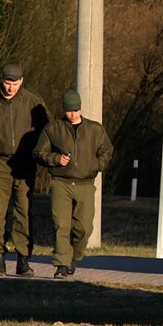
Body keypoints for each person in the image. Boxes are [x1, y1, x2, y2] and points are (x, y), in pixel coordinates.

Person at [34, 90, 113, 279]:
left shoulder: (95, 129)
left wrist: (96, 166)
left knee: (84, 228)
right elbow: (38, 152)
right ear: (64, 109)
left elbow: (107, 150)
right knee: (61, 224)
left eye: (76, 110)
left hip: (86, 184)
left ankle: (73, 257)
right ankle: (61, 265)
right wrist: (54, 159)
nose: (73, 114)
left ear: (81, 108)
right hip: (61, 182)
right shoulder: (53, 129)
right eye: (69, 110)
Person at [0, 62, 48, 277]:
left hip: (25, 165)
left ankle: (23, 260)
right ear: (1, 80)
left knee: (23, 212)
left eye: (15, 83)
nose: (10, 88)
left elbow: (48, 130)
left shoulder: (33, 101)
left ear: (21, 82)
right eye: (7, 83)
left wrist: (44, 154)